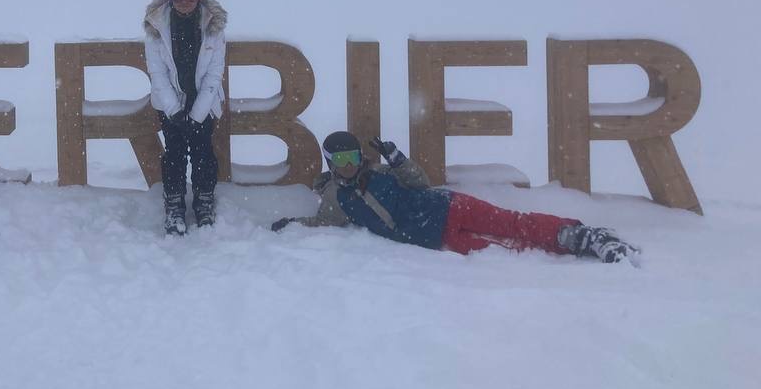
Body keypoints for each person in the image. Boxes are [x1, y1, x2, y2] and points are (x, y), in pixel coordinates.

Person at [271, 131, 640, 264]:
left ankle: (582, 236)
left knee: (513, 223)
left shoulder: (381, 172)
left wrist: (396, 159)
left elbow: (420, 181)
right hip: (437, 237)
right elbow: (324, 222)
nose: (348, 166)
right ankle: (565, 246)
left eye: (352, 158)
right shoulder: (336, 197)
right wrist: (294, 223)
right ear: (329, 161)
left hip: (447, 206)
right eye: (340, 160)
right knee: (506, 249)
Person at [144, 0, 227, 235]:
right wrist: (175, 112)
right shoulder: (156, 27)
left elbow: (215, 74)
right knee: (175, 153)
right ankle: (174, 204)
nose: (184, 1)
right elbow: (157, 73)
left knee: (203, 152)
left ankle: (204, 200)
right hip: (171, 103)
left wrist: (197, 114)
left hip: (204, 102)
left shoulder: (213, 27)